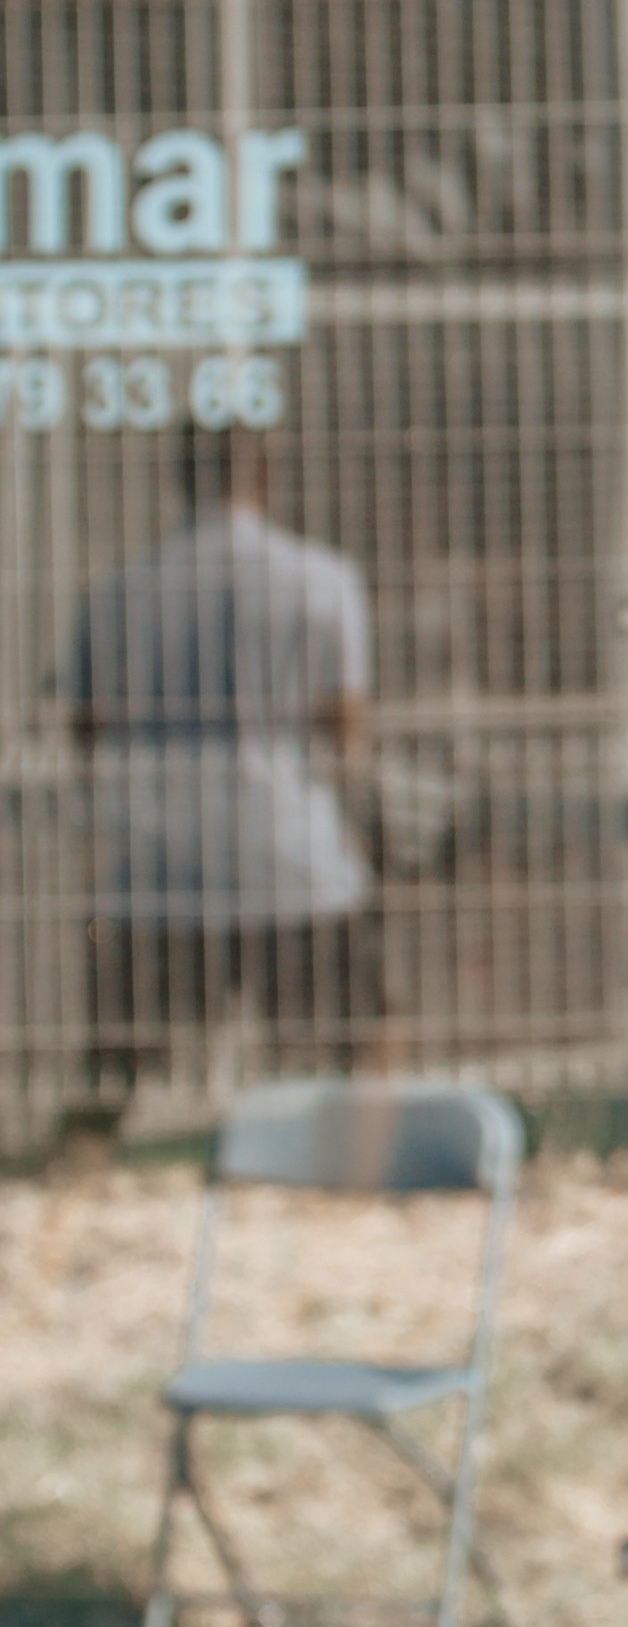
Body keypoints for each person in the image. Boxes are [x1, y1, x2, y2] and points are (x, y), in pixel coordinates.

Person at [68, 425, 382, 1123]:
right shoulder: (322, 579)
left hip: (160, 865)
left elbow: (85, 729)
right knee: (360, 1047)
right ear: (265, 477)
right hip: (290, 854)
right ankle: (368, 1164)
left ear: (180, 481)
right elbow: (346, 726)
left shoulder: (119, 588)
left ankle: (77, 1170)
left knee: (114, 1071)